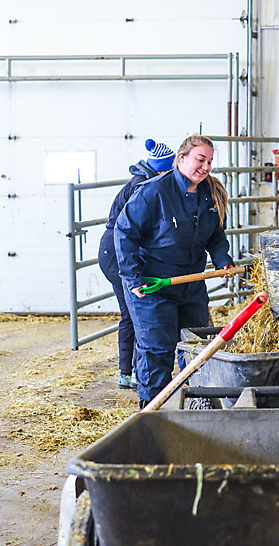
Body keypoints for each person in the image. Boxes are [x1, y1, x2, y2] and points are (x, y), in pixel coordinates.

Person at [115, 134, 234, 407]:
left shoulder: (208, 195)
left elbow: (215, 234)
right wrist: (133, 277)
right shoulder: (153, 192)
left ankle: (195, 403)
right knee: (157, 348)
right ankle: (153, 408)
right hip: (152, 285)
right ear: (182, 158)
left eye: (210, 162)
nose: (205, 167)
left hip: (191, 284)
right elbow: (124, 232)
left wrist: (221, 260)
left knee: (197, 346)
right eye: (200, 159)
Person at [98, 139, 175, 390]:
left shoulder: (150, 182)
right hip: (116, 251)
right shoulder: (143, 186)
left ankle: (129, 371)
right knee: (134, 311)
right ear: (163, 169)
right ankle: (127, 373)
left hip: (118, 249)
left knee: (134, 311)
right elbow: (131, 231)